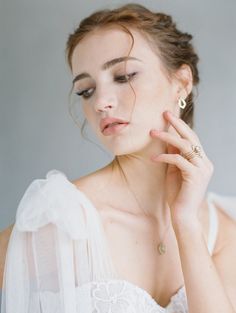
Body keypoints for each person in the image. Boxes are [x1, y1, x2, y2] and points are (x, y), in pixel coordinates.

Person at [0, 3, 236, 313]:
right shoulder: (62, 220)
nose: (100, 102)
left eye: (123, 76)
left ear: (182, 82)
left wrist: (186, 223)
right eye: (86, 90)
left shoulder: (222, 227)